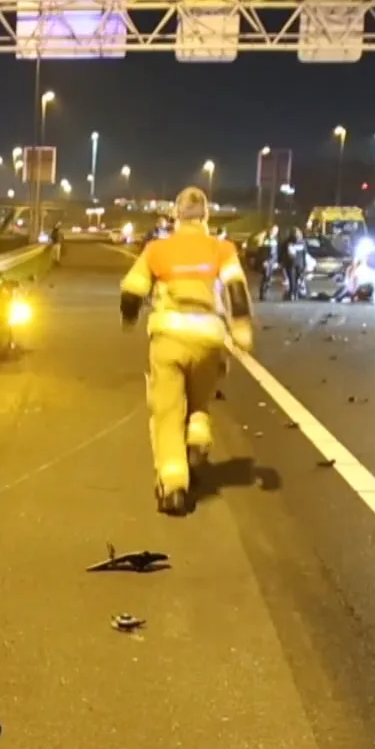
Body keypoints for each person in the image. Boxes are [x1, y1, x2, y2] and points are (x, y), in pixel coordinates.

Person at [119, 186, 255, 516]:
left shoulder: (157, 250)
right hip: (208, 337)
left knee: (167, 412)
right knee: (199, 399)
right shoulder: (220, 249)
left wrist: (129, 317)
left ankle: (174, 485)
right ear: (206, 217)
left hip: (168, 336)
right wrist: (241, 328)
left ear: (176, 216)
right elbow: (236, 288)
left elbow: (133, 289)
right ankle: (196, 437)